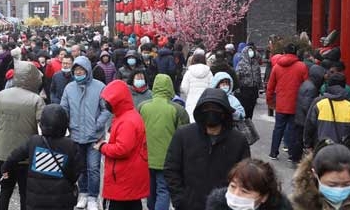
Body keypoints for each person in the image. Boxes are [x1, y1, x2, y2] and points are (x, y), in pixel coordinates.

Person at [164, 88, 250, 210]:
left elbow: (244, 176)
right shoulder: (183, 135)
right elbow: (171, 169)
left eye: (216, 108)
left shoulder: (238, 141)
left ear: (225, 112)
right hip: (188, 205)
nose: (211, 112)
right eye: (207, 108)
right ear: (200, 111)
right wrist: (180, 199)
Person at [0, 61, 46, 210]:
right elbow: (42, 126)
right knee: (25, 192)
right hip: (26, 154)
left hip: (4, 151)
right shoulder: (36, 100)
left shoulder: (1, 94)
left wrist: (1, 128)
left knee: (5, 189)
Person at [2, 104, 84, 210]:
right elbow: (77, 171)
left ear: (42, 124)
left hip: (35, 201)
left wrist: (5, 170)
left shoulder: (34, 141)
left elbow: (13, 157)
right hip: (61, 200)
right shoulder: (70, 145)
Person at [60, 56, 110, 210]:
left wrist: (98, 124)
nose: (79, 73)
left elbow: (106, 109)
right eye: (76, 71)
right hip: (76, 134)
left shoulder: (100, 86)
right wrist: (66, 123)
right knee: (80, 167)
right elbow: (64, 109)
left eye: (82, 70)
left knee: (94, 168)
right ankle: (83, 193)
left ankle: (93, 197)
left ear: (88, 71)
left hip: (95, 136)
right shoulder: (69, 88)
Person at [96, 80, 150, 210]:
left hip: (122, 179)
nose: (107, 105)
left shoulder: (126, 121)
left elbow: (122, 149)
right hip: (130, 177)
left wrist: (102, 147)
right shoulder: (129, 115)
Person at [138, 74, 189, 210]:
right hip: (168, 159)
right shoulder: (177, 109)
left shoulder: (143, 106)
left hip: (146, 157)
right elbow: (184, 135)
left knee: (150, 189)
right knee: (163, 190)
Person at [291, 142, 350, 209]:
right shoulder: (299, 205)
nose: (339, 190)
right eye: (332, 185)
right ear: (315, 174)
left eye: (346, 184)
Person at [304, 74, 350, 157]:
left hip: (321, 148)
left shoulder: (318, 103)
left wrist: (308, 145)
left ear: (328, 85)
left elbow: (310, 125)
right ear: (344, 86)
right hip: (344, 150)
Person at [266, 43, 308, 161]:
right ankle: (292, 154)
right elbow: (307, 86)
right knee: (293, 130)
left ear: (284, 52)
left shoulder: (277, 67)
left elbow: (270, 87)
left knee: (278, 128)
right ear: (296, 53)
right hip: (296, 104)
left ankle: (273, 152)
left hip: (281, 103)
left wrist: (270, 101)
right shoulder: (302, 66)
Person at [206, 159, 293, 210]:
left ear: (264, 197)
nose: (235, 195)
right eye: (233, 186)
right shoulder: (217, 205)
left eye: (244, 191)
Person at [293, 65, 327, 163]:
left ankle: (295, 157)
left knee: (298, 139)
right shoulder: (312, 88)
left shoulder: (307, 84)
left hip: (300, 116)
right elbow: (308, 106)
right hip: (304, 118)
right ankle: (297, 158)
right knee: (301, 139)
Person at [180, 53, 213, 123]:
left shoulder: (189, 72)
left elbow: (184, 86)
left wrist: (189, 94)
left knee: (191, 121)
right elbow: (212, 86)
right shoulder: (209, 72)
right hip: (205, 100)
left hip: (191, 99)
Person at [236, 45, 262, 118]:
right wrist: (237, 89)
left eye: (252, 51)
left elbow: (258, 76)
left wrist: (260, 87)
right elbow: (237, 76)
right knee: (245, 109)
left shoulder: (255, 63)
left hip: (254, 89)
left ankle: (250, 122)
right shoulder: (241, 64)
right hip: (245, 89)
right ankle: (245, 124)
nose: (251, 53)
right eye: (249, 51)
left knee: (251, 109)